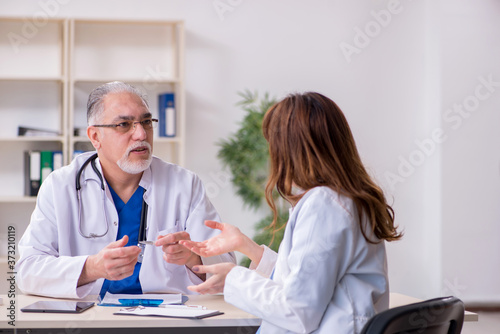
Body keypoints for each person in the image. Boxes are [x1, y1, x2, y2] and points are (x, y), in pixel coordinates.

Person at [180, 92, 402, 333]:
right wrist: (248, 247)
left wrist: (233, 278)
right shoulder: (347, 199)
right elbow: (306, 279)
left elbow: (297, 311)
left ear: (291, 149)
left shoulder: (324, 205)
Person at [16, 81, 235, 299]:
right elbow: (27, 271)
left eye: (146, 122)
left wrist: (193, 258)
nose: (141, 134)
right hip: (90, 321)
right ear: (95, 137)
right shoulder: (60, 186)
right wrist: (91, 267)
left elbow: (228, 270)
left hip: (168, 320)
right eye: (124, 124)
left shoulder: (184, 185)